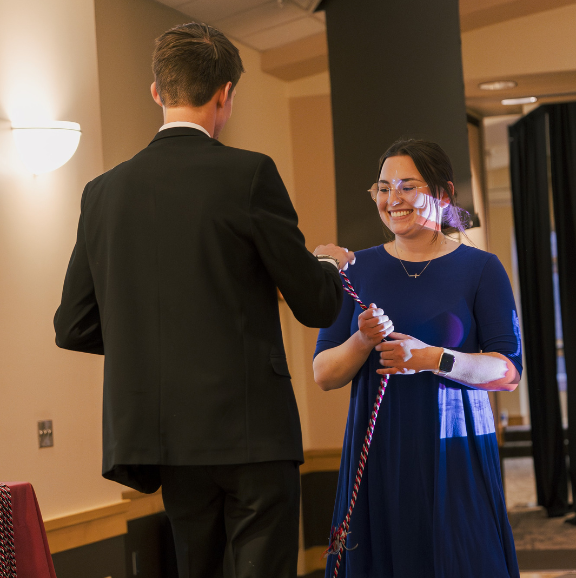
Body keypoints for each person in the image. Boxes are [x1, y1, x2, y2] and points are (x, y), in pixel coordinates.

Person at [54, 22, 354, 578]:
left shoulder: (102, 193)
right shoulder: (248, 174)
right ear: (225, 95)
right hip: (252, 431)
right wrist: (328, 264)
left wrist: (150, 345)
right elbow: (317, 304)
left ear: (156, 92)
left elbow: (72, 326)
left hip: (166, 438)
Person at [314, 139, 522, 578]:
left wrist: (434, 358)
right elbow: (324, 374)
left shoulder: (481, 268)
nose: (393, 199)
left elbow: (507, 372)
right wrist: (362, 340)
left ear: (444, 193)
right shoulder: (356, 269)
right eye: (383, 187)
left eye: (407, 186)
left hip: (456, 450)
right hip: (379, 455)